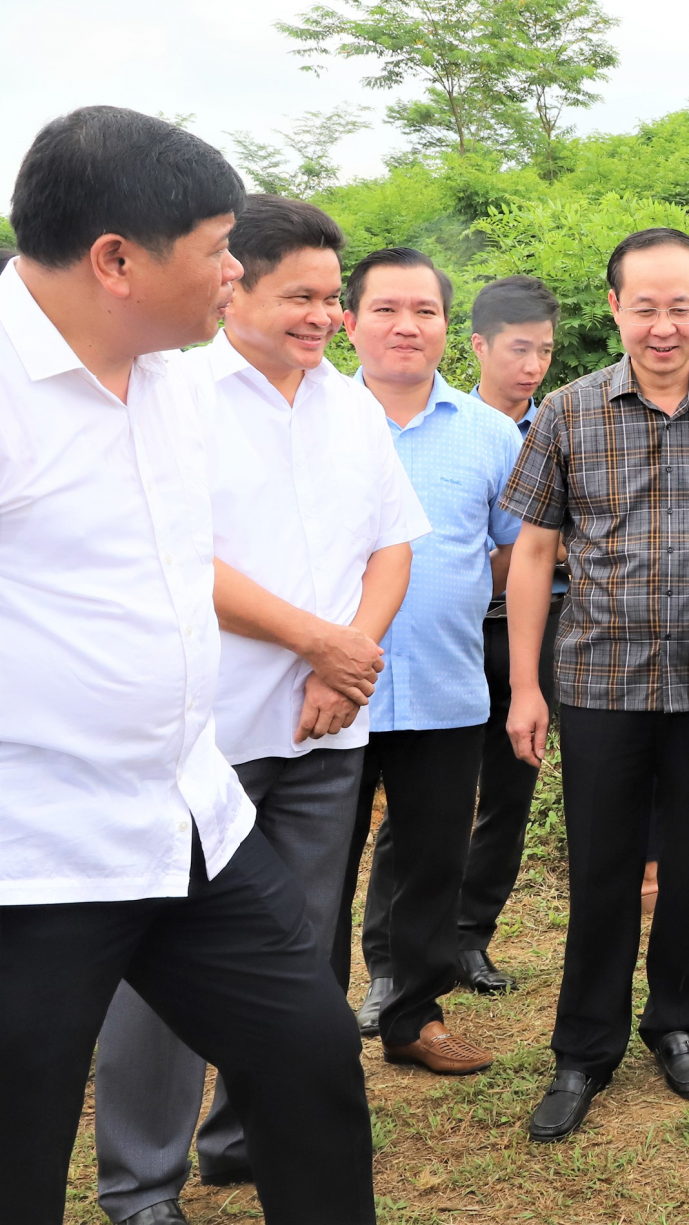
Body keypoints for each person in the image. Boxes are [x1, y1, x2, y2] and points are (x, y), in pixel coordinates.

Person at [0, 106, 375, 1225]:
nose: (230, 275)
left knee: (310, 1060)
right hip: (39, 858)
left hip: (191, 819)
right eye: (216, 249)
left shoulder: (169, 380)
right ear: (116, 259)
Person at [90, 197, 427, 1223]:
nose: (325, 315)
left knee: (291, 956)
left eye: (333, 297)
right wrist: (315, 642)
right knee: (162, 974)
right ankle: (142, 1186)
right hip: (207, 738)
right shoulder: (170, 393)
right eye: (303, 295)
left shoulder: (349, 404)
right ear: (236, 283)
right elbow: (177, 559)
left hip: (326, 731)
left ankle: (245, 1139)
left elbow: (392, 543)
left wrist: (347, 659)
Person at [502, 228, 689, 1142]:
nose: (663, 326)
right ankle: (583, 1048)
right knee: (603, 866)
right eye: (644, 307)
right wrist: (525, 687)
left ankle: (678, 1022)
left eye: (680, 306)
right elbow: (533, 551)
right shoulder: (568, 413)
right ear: (614, 307)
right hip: (599, 678)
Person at [332, 247, 524, 1074]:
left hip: (447, 686)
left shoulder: (492, 434)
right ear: (349, 322)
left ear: (450, 327)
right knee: (319, 874)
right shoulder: (314, 421)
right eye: (386, 309)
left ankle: (413, 1016)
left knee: (433, 862)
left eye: (425, 310)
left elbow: (518, 552)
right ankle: (307, 1032)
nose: (407, 326)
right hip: (329, 694)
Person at [361, 274, 565, 1000]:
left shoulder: (533, 431)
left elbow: (528, 544)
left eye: (544, 350)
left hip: (510, 637)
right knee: (399, 819)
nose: (532, 364)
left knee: (494, 798)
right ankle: (385, 967)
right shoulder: (341, 419)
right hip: (391, 651)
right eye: (518, 349)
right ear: (477, 344)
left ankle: (463, 943)